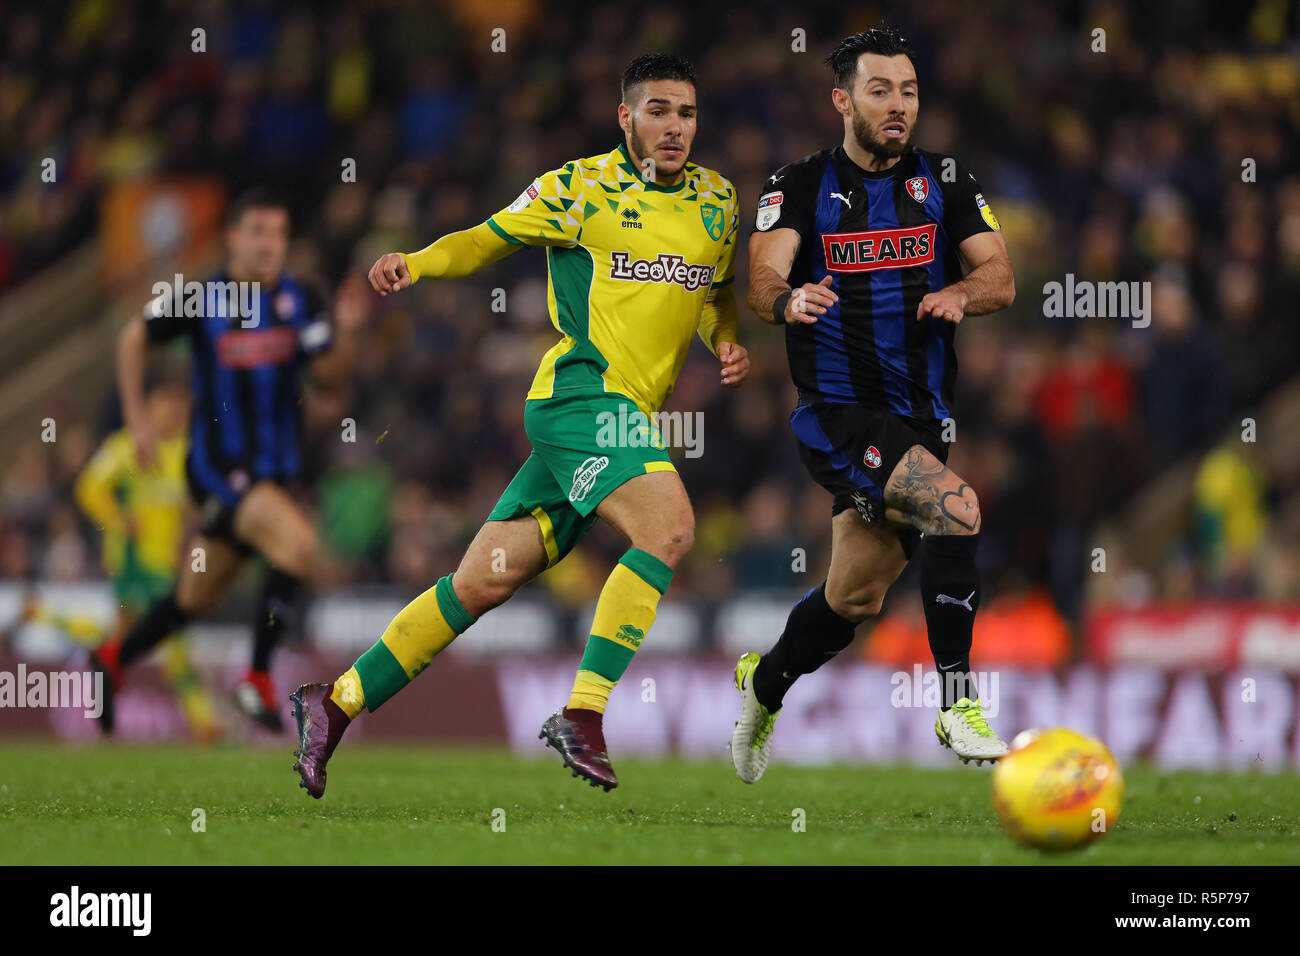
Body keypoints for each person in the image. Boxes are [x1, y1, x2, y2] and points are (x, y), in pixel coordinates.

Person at [291, 53, 748, 797]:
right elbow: (485, 237)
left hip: (625, 415)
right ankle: (584, 715)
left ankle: (334, 704)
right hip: (582, 399)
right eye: (658, 110)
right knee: (667, 531)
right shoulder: (577, 188)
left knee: (480, 584)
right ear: (625, 118)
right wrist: (417, 261)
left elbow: (714, 294)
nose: (675, 127)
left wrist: (724, 338)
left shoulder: (717, 201)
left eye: (687, 113)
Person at [734, 29, 1016, 782]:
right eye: (880, 91)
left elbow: (1002, 278)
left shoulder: (946, 183)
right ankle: (958, 702)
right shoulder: (797, 185)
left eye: (909, 92)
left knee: (853, 599)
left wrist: (960, 290)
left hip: (920, 417)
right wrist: (790, 298)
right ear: (843, 100)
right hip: (836, 412)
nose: (897, 106)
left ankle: (762, 687)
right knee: (956, 508)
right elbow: (762, 279)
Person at [92, 187, 362, 733]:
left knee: (196, 598)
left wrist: (345, 332)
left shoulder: (301, 298)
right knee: (299, 547)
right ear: (234, 237)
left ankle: (111, 661)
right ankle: (257, 678)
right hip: (219, 468)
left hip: (274, 472)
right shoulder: (201, 297)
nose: (270, 244)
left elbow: (330, 382)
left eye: (279, 233)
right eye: (258, 231)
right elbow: (132, 337)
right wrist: (138, 419)